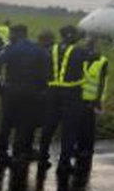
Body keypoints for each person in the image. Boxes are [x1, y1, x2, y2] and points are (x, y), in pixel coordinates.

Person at [0, 24, 50, 168]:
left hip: (11, 90)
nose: (9, 36)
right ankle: (19, 154)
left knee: (6, 122)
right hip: (31, 91)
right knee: (25, 124)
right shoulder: (39, 49)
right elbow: (48, 70)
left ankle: (3, 153)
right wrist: (42, 89)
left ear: (17, 34)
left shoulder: (10, 49)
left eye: (11, 33)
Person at [38, 25, 89, 175]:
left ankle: (42, 157)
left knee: (48, 127)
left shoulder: (51, 50)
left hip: (52, 92)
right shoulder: (79, 51)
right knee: (69, 129)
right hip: (71, 93)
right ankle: (64, 163)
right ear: (72, 35)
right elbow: (92, 59)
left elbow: (44, 69)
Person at [76, 37, 109, 174]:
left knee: (89, 127)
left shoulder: (102, 61)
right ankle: (79, 148)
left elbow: (102, 83)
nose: (90, 51)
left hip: (92, 99)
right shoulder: (82, 59)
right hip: (79, 98)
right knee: (79, 125)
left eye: (92, 48)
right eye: (88, 48)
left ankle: (87, 150)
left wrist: (99, 100)